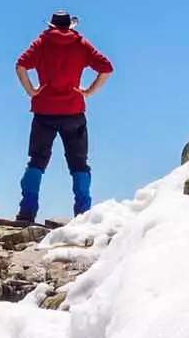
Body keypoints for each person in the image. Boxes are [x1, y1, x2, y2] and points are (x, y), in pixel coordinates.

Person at [14, 12, 114, 224]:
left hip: (44, 111)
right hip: (73, 112)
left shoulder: (41, 43)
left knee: (37, 161)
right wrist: (89, 92)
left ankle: (27, 212)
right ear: (71, 25)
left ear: (52, 25)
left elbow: (20, 65)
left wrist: (31, 91)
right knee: (79, 164)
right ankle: (83, 214)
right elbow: (106, 68)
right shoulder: (80, 44)